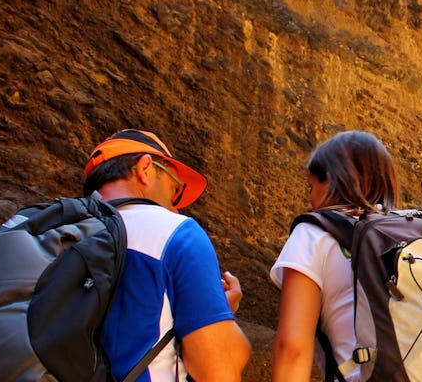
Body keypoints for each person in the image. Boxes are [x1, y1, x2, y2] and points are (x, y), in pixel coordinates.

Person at [83, 129, 251, 381]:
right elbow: (219, 371)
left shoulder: (49, 232)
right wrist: (221, 314)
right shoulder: (177, 233)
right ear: (145, 168)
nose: (176, 206)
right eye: (175, 190)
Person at [270, 130, 399, 382]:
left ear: (328, 180)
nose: (309, 204)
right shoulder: (407, 233)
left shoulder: (313, 234)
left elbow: (293, 351)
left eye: (311, 188)